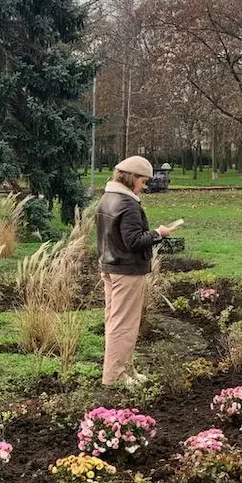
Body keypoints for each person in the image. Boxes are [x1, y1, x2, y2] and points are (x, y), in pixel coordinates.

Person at [96, 155, 175, 386]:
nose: (145, 186)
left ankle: (124, 369)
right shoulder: (128, 205)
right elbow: (133, 241)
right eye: (143, 181)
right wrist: (159, 233)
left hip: (110, 266)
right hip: (126, 270)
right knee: (124, 325)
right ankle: (115, 375)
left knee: (115, 321)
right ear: (131, 178)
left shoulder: (107, 198)